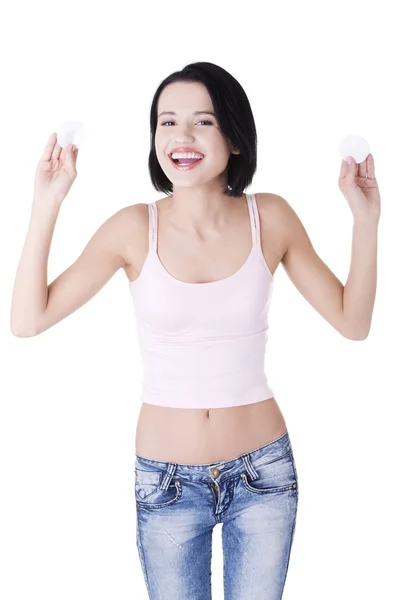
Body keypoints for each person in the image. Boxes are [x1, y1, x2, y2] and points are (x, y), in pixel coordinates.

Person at [10, 61, 380, 600]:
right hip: (166, 483)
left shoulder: (269, 217)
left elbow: (353, 322)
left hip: (264, 475)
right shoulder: (134, 227)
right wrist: (47, 201)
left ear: (233, 136)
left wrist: (365, 220)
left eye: (202, 122)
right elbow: (27, 320)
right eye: (167, 122)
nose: (181, 136)